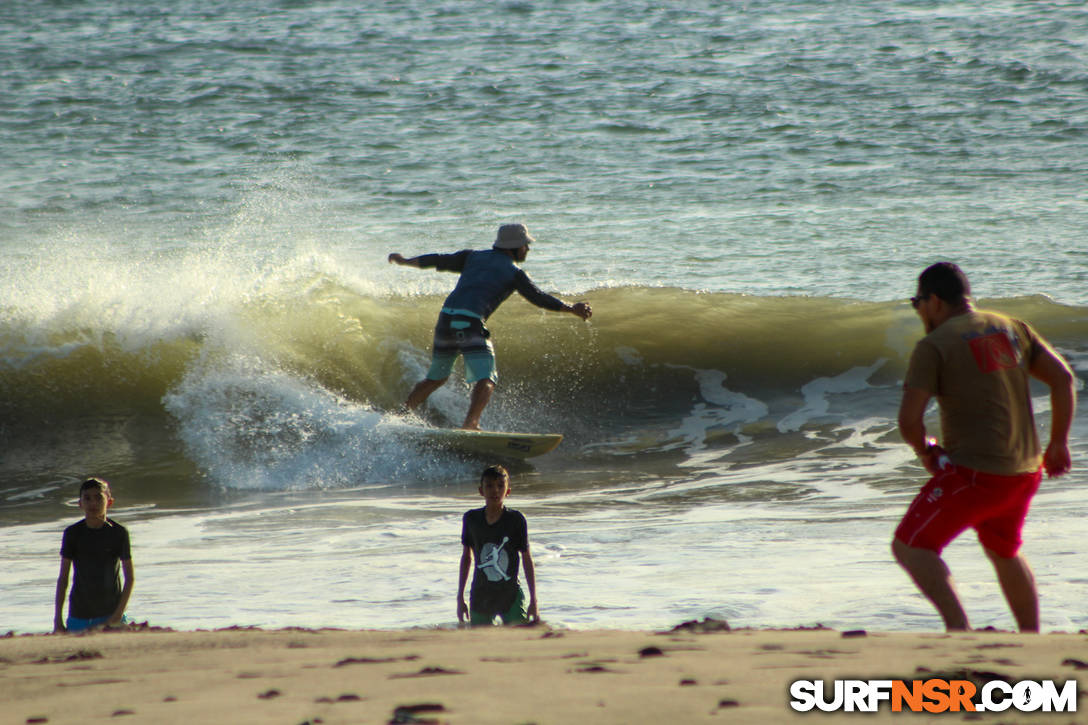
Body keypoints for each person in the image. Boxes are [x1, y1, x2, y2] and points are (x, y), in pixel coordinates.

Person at [893, 262, 1075, 632]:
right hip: (1025, 472)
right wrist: (1058, 444)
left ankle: (959, 631)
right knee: (1003, 549)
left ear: (936, 301)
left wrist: (926, 450)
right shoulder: (1010, 327)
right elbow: (1062, 379)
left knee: (911, 547)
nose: (919, 311)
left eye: (918, 302)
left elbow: (909, 421)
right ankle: (1030, 637)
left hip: (976, 474)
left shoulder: (934, 345)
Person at [388, 223, 592, 430]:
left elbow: (438, 259)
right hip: (469, 321)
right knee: (487, 377)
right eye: (525, 245)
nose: (527, 249)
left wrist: (405, 261)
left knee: (436, 377)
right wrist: (571, 308)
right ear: (514, 247)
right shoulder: (514, 272)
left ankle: (402, 414)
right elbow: (538, 297)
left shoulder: (472, 257)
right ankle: (471, 423)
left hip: (445, 320)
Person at [457, 465, 538, 626]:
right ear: (481, 491)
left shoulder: (516, 520)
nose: (495, 490)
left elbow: (527, 558)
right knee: (479, 639)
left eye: (500, 486)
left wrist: (534, 600)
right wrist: (460, 597)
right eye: (489, 486)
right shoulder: (472, 519)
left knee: (520, 636)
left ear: (508, 491)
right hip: (481, 594)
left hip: (510, 593)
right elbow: (467, 557)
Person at [53, 478, 134, 633]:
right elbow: (63, 578)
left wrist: (116, 616)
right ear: (80, 503)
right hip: (79, 615)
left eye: (99, 498)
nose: (93, 503)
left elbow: (130, 578)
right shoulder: (72, 534)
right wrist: (57, 619)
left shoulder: (118, 533)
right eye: (87, 498)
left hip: (110, 614)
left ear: (109, 502)